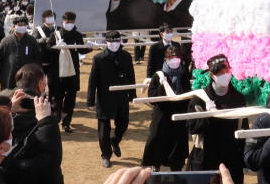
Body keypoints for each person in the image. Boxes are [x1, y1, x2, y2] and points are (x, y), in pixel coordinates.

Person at [185, 55, 249, 184]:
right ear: (211, 75)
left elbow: (244, 129)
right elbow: (191, 127)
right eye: (220, 73)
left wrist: (245, 157)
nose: (225, 75)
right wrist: (207, 115)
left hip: (231, 156)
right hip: (206, 156)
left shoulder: (238, 98)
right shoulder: (200, 99)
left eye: (227, 70)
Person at [87, 31, 136, 168]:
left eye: (117, 41)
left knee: (123, 124)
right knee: (103, 132)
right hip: (105, 98)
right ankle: (106, 156)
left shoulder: (126, 56)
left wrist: (132, 94)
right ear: (106, 42)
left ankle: (115, 141)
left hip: (121, 97)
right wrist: (90, 100)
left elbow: (131, 76)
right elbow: (93, 81)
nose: (115, 44)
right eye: (112, 41)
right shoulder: (99, 58)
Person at [141, 45, 191, 172]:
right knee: (158, 141)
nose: (175, 60)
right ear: (166, 60)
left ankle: (176, 167)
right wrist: (161, 86)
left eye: (177, 57)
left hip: (179, 117)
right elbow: (151, 98)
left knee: (177, 143)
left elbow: (188, 94)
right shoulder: (158, 76)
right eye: (172, 57)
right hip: (162, 116)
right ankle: (156, 164)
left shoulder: (184, 74)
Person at [45, 11, 93, 133]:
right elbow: (47, 51)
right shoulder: (55, 35)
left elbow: (81, 51)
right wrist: (56, 47)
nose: (70, 24)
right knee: (56, 98)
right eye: (67, 22)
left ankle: (67, 123)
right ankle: (56, 120)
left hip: (73, 71)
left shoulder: (77, 35)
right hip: (57, 72)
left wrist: (89, 48)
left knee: (71, 98)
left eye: (72, 22)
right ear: (62, 22)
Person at [0, 16, 41, 92]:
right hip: (8, 76)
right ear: (14, 26)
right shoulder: (6, 41)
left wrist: (39, 76)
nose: (23, 27)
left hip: (27, 77)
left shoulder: (31, 41)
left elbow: (37, 60)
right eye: (20, 26)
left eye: (24, 25)